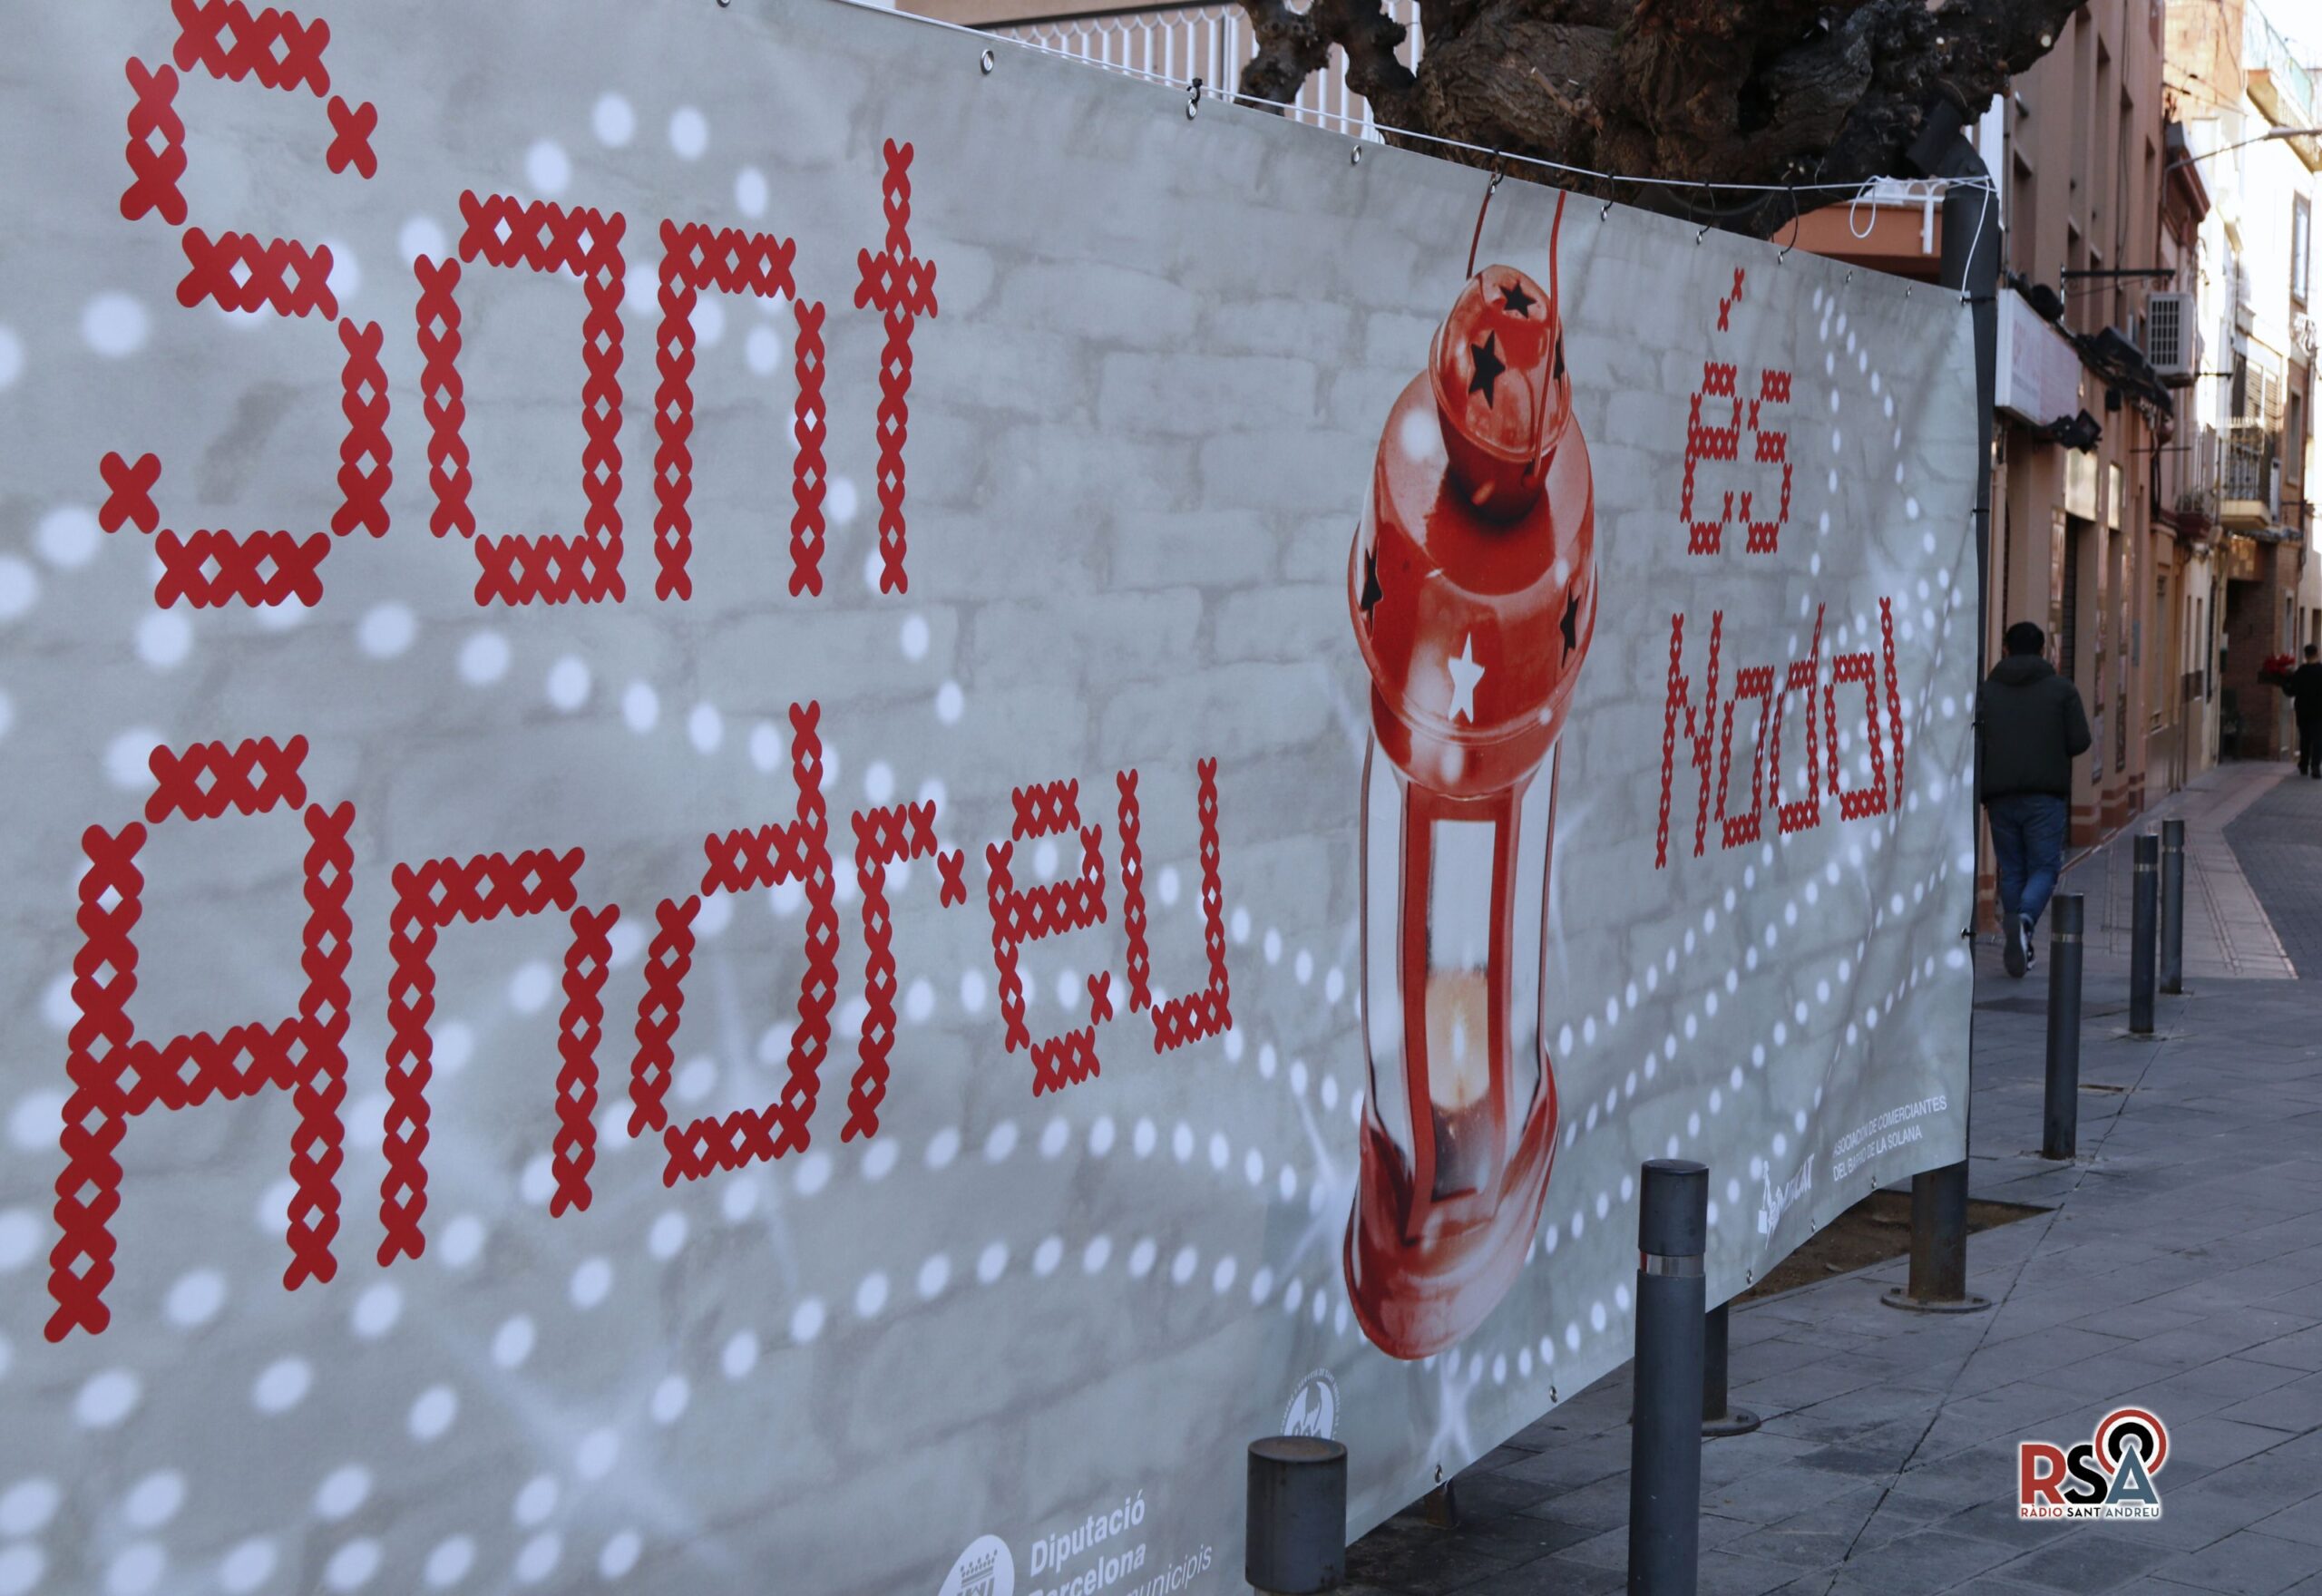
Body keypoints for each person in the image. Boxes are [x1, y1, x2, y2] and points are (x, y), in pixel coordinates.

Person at [1977, 621, 2092, 978]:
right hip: (2045, 796)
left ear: (2005, 649)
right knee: (2044, 867)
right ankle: (2024, 921)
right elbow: (2080, 741)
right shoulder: (2062, 690)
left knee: (2012, 870)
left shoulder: (1986, 693)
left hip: (2000, 796)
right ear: (2044, 651)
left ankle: (2021, 945)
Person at [2288, 645, 2322, 779]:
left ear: (2305, 655)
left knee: (2305, 738)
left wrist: (2284, 683)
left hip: (2303, 710)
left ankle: (2303, 765)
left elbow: (2292, 691)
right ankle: (2315, 767)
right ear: (2317, 653)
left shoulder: (2301, 672)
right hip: (2319, 711)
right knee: (2318, 739)